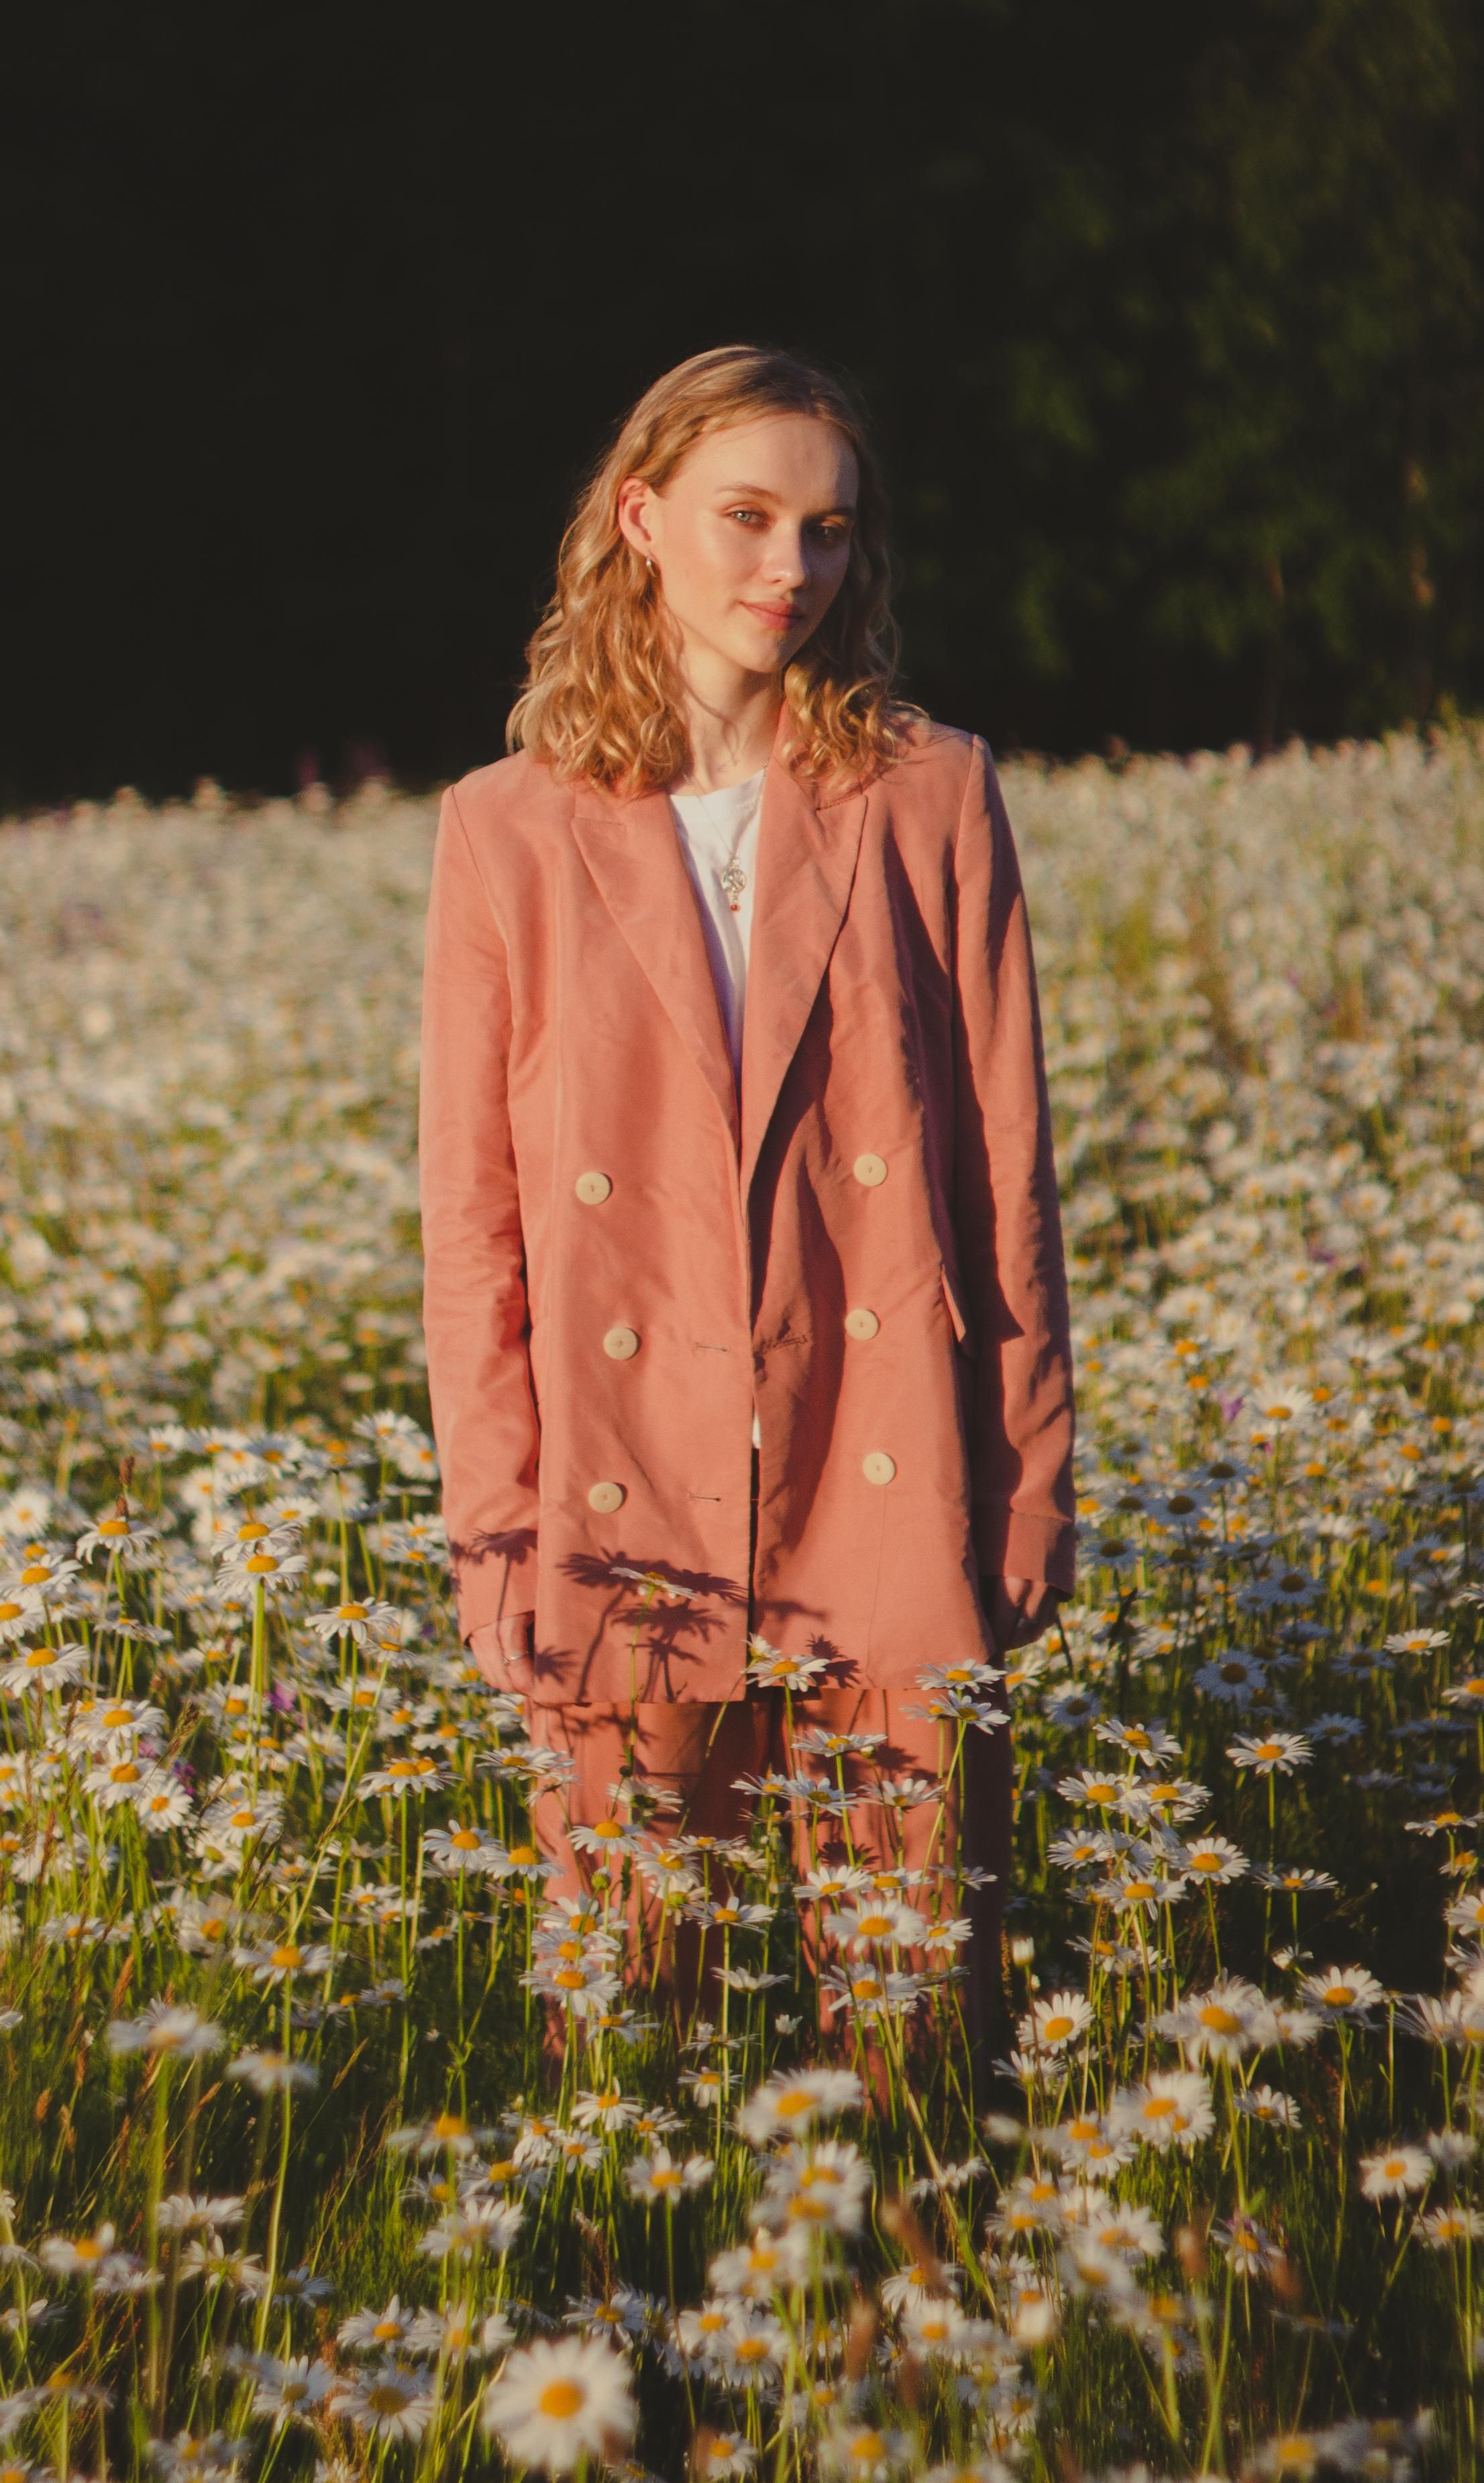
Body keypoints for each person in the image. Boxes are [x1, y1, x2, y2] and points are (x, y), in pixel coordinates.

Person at [418, 343, 1075, 2060]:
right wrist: (494, 1530)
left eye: (830, 531)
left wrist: (1022, 1475)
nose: (792, 569)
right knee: (633, 2021)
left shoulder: (930, 794)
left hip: (886, 1448)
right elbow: (472, 1223)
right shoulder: (505, 830)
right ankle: (628, 2318)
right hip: (623, 1486)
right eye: (748, 518)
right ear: (638, 520)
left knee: (917, 2011)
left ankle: (921, 2307)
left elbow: (1000, 1162)